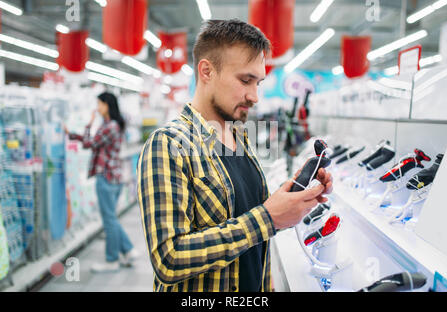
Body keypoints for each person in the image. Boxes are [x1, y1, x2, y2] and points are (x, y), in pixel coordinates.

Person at [137, 19, 333, 292]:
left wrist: (291, 198)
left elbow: (246, 219)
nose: (254, 96)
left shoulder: (239, 136)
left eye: (258, 83)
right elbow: (169, 259)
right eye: (245, 80)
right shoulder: (169, 145)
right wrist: (268, 218)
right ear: (206, 71)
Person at [65, 92, 139, 273]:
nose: (97, 107)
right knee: (111, 218)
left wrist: (86, 126)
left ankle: (112, 259)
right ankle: (128, 250)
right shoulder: (112, 125)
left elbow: (90, 143)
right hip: (114, 177)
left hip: (106, 177)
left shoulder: (110, 126)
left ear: (107, 105)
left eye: (99, 104)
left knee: (109, 220)